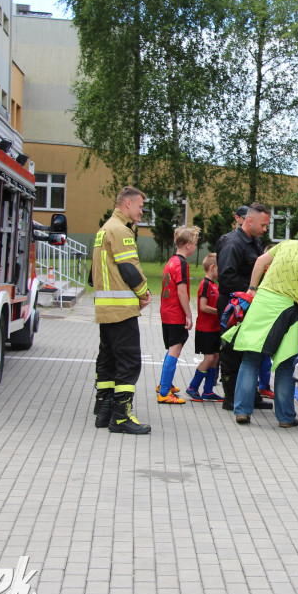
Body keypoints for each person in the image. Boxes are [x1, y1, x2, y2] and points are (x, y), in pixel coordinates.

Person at [225, 237, 298, 426]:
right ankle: (285, 418)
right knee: (285, 366)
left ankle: (242, 412)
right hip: (286, 311)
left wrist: (252, 289)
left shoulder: (288, 243)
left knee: (250, 360)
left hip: (261, 304)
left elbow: (260, 261)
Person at [90, 186, 152, 435]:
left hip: (106, 309)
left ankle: (103, 410)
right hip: (121, 309)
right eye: (139, 206)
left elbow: (91, 275)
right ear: (127, 204)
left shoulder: (104, 229)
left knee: (107, 359)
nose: (141, 211)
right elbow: (128, 268)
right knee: (129, 361)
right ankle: (121, 417)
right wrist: (143, 293)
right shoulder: (120, 231)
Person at [216, 203, 272, 411]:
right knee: (231, 352)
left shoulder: (255, 241)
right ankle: (230, 397)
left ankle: (251, 395)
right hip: (234, 304)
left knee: (251, 349)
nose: (265, 229)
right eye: (263, 225)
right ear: (250, 221)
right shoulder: (232, 243)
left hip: (249, 303)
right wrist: (254, 289)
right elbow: (226, 278)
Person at [157, 225, 199, 404]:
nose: (196, 246)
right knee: (175, 349)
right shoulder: (182, 264)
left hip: (166, 310)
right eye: (195, 243)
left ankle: (164, 384)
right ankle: (165, 392)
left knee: (172, 348)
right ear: (188, 245)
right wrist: (189, 314)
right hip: (175, 313)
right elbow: (182, 292)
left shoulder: (171, 261)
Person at [185, 253, 224, 401]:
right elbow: (202, 307)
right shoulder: (205, 284)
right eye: (220, 269)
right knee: (208, 358)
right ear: (212, 268)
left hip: (215, 329)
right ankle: (192, 387)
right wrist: (219, 311)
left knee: (215, 358)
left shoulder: (215, 285)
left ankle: (208, 391)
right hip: (205, 329)